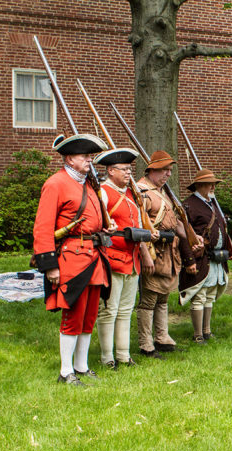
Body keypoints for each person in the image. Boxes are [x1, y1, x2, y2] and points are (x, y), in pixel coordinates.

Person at [32, 133, 112, 386]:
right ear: (69, 158)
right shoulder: (56, 183)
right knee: (73, 314)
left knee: (89, 315)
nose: (89, 160)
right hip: (71, 258)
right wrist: (49, 266)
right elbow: (43, 227)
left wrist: (102, 230)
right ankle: (66, 371)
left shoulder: (87, 184)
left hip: (93, 256)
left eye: (90, 156)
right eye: (84, 156)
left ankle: (82, 365)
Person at [136, 151, 203, 358]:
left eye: (170, 170)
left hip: (169, 254)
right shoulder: (142, 191)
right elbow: (139, 224)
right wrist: (145, 253)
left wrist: (192, 236)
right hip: (154, 251)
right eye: (164, 170)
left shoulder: (163, 191)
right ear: (151, 170)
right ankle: (146, 344)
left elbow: (175, 223)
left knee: (163, 299)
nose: (168, 174)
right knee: (148, 300)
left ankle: (162, 337)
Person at [94, 147, 152, 369]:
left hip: (132, 258)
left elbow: (137, 225)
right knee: (109, 310)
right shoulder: (103, 192)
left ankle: (124, 355)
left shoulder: (130, 194)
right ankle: (107, 358)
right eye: (124, 169)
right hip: (112, 259)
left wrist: (145, 251)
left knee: (126, 310)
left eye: (130, 169)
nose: (129, 173)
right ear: (111, 170)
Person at [178, 169, 232, 344]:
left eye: (214, 183)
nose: (213, 186)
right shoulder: (189, 205)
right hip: (199, 258)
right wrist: (189, 260)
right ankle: (197, 334)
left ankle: (207, 331)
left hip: (215, 258)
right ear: (198, 185)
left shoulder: (212, 204)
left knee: (210, 295)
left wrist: (231, 248)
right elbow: (184, 236)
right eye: (209, 184)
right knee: (199, 296)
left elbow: (222, 229)